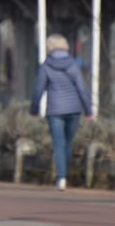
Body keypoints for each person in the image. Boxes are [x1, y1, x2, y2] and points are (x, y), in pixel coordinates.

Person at [29, 33, 93, 191]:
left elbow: (39, 89)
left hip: (55, 110)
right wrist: (88, 111)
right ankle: (65, 173)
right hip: (73, 109)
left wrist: (34, 109)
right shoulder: (73, 65)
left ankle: (61, 178)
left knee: (58, 143)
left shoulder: (46, 66)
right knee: (68, 144)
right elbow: (82, 89)